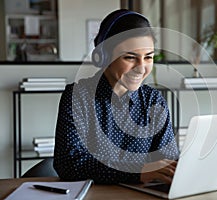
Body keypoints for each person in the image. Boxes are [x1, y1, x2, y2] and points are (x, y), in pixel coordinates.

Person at [53, 9, 179, 185]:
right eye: (130, 57)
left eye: (148, 57)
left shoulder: (154, 100)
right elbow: (70, 164)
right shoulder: (77, 97)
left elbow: (168, 161)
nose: (141, 68)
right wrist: (138, 171)